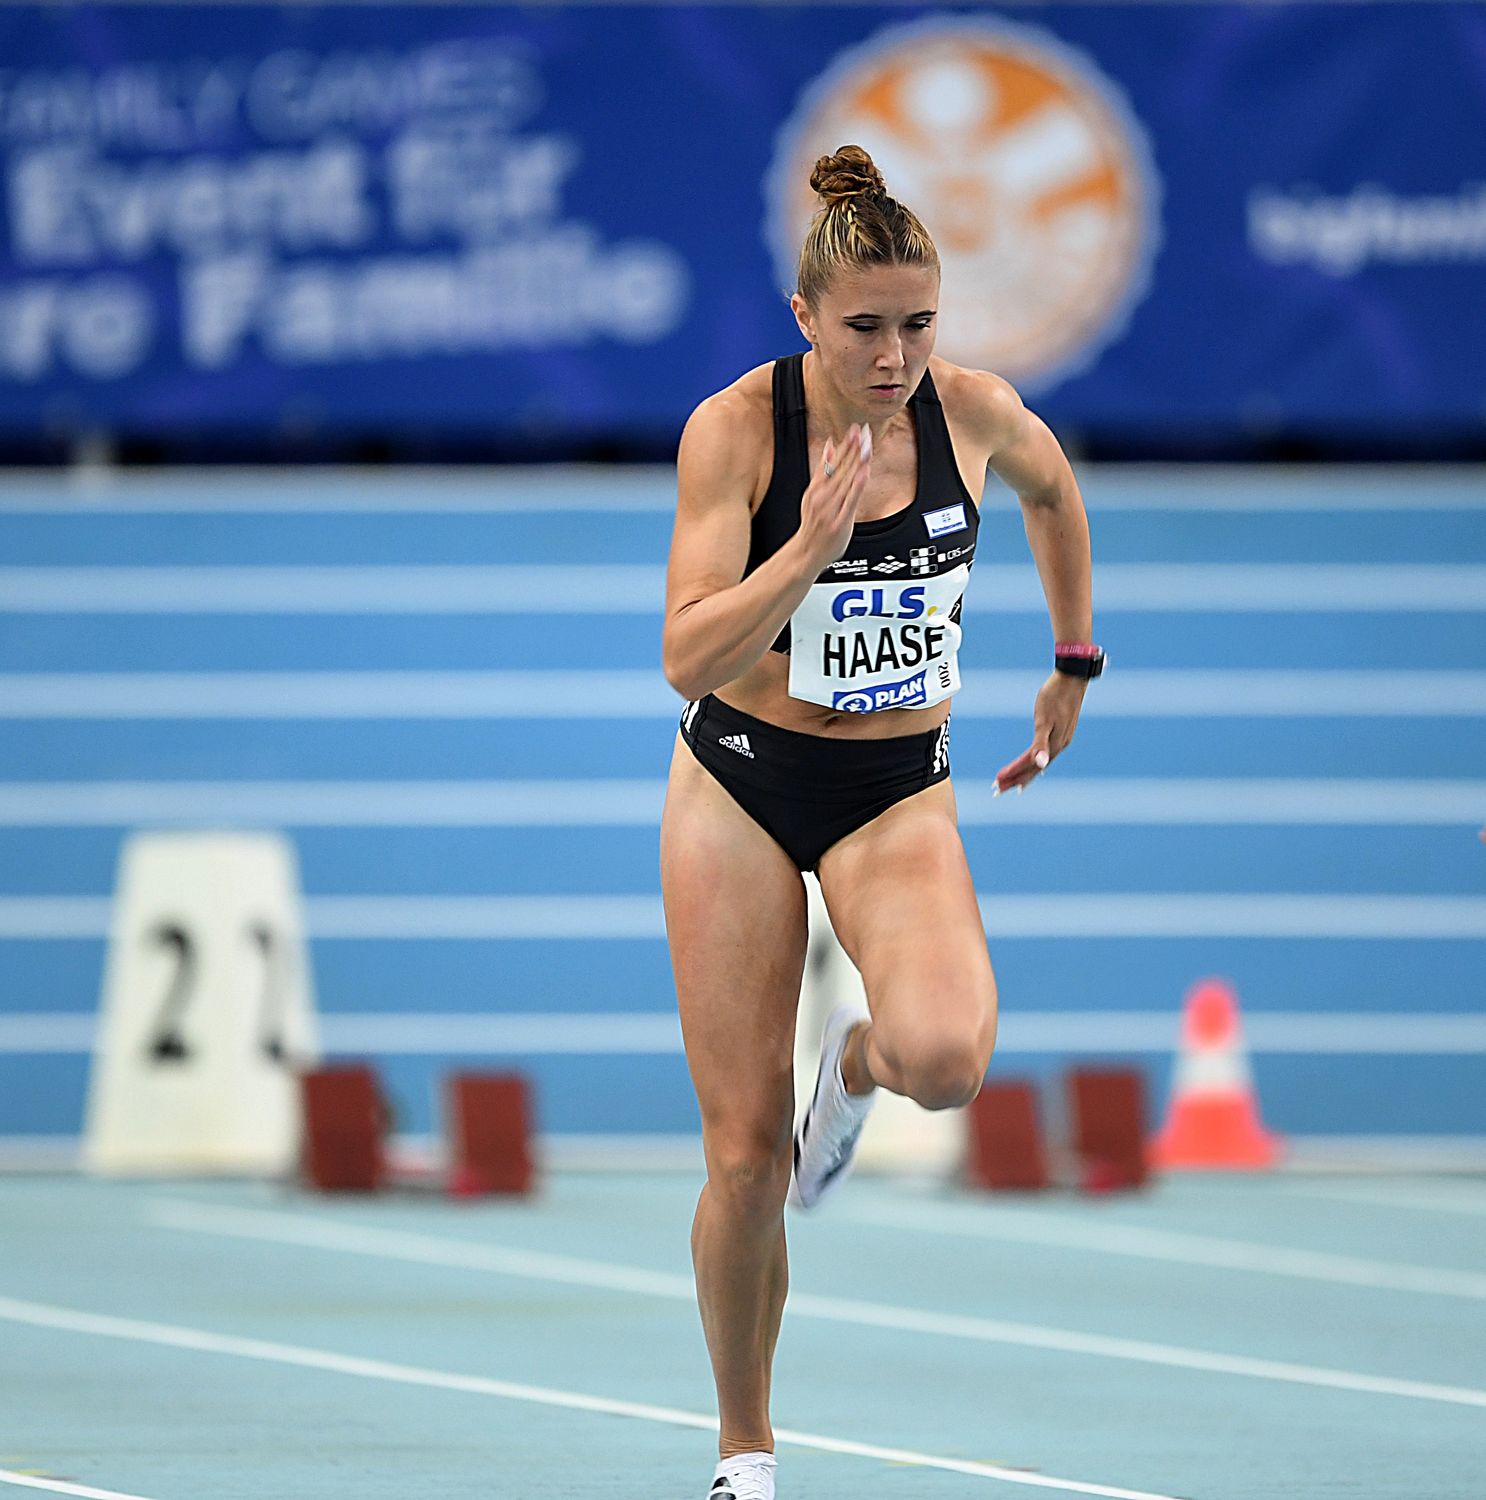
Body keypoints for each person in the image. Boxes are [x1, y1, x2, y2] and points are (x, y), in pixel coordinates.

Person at [659, 144, 1102, 1500]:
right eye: (864, 327)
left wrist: (1072, 660)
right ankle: (745, 1454)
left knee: (948, 1060)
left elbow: (1053, 492)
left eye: (919, 322)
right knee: (744, 1159)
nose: (896, 355)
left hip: (895, 788)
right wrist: (806, 547)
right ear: (805, 317)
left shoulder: (974, 412)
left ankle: (850, 1062)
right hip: (740, 781)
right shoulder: (737, 430)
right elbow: (685, 656)